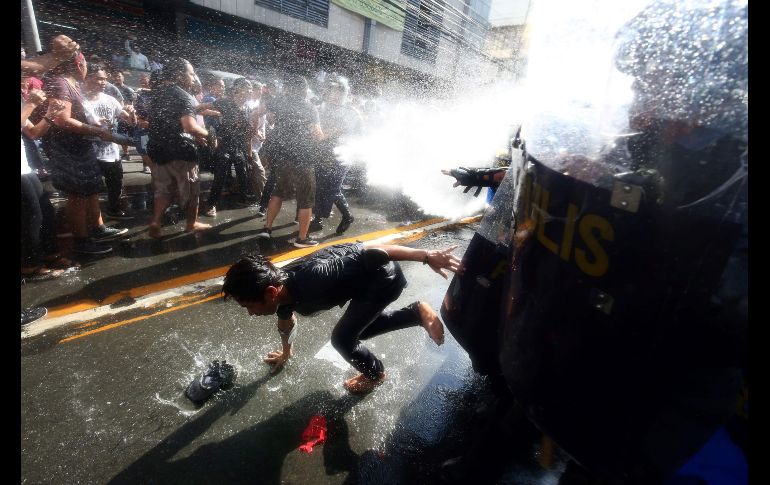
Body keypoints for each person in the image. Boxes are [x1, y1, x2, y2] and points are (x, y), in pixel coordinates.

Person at [222, 242, 462, 394]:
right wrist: (286, 353)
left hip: (381, 278)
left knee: (343, 339)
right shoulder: (282, 292)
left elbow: (373, 252)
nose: (250, 313)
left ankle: (376, 374)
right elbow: (286, 323)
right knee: (358, 332)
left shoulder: (314, 278)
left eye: (249, 306)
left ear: (270, 292)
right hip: (361, 285)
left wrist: (426, 256)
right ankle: (415, 314)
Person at [35, 37, 127, 255]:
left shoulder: (71, 84)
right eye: (85, 63)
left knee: (91, 189)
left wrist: (94, 123)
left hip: (81, 146)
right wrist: (97, 131)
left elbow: (77, 115)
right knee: (77, 194)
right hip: (67, 148)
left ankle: (98, 227)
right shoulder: (60, 83)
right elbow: (63, 120)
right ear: (78, 64)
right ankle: (82, 240)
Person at [145, 57, 212, 238]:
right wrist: (208, 134)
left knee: (163, 190)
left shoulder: (157, 94)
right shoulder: (183, 96)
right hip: (181, 152)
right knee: (192, 190)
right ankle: (191, 224)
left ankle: (156, 221)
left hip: (158, 150)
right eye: (191, 74)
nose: (193, 77)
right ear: (179, 75)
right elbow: (189, 126)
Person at [256, 74, 323, 248]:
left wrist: (257, 130)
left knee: (278, 192)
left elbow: (257, 112)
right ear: (304, 90)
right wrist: (329, 133)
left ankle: (267, 228)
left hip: (282, 156)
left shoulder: (279, 101)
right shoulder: (310, 107)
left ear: (288, 89)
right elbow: (317, 135)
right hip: (303, 157)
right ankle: (302, 239)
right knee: (306, 198)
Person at [82, 63, 137, 220]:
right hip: (88, 150)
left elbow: (128, 120)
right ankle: (91, 218)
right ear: (87, 78)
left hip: (111, 151)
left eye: (105, 79)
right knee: (91, 186)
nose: (103, 82)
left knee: (115, 182)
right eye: (99, 79)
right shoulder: (81, 100)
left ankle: (113, 209)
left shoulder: (110, 99)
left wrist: (132, 114)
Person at [311, 75, 362, 235]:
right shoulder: (323, 107)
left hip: (341, 155)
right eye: (333, 90)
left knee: (332, 187)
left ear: (344, 93)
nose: (335, 93)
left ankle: (347, 216)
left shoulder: (351, 112)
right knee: (320, 185)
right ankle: (317, 218)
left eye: (339, 91)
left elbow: (357, 134)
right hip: (322, 152)